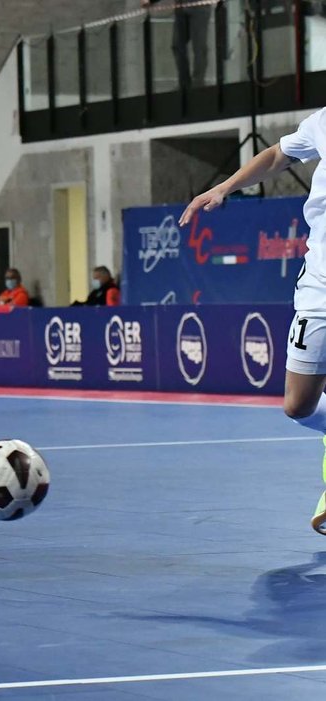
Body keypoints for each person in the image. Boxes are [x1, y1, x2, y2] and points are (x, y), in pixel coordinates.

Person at [179, 107, 326, 535]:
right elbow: (279, 155)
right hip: (319, 285)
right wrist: (225, 186)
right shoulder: (324, 121)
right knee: (298, 405)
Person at [143, 0, 214, 90]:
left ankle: (198, 83)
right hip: (181, 7)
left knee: (199, 46)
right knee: (177, 45)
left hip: (200, 6)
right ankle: (184, 83)